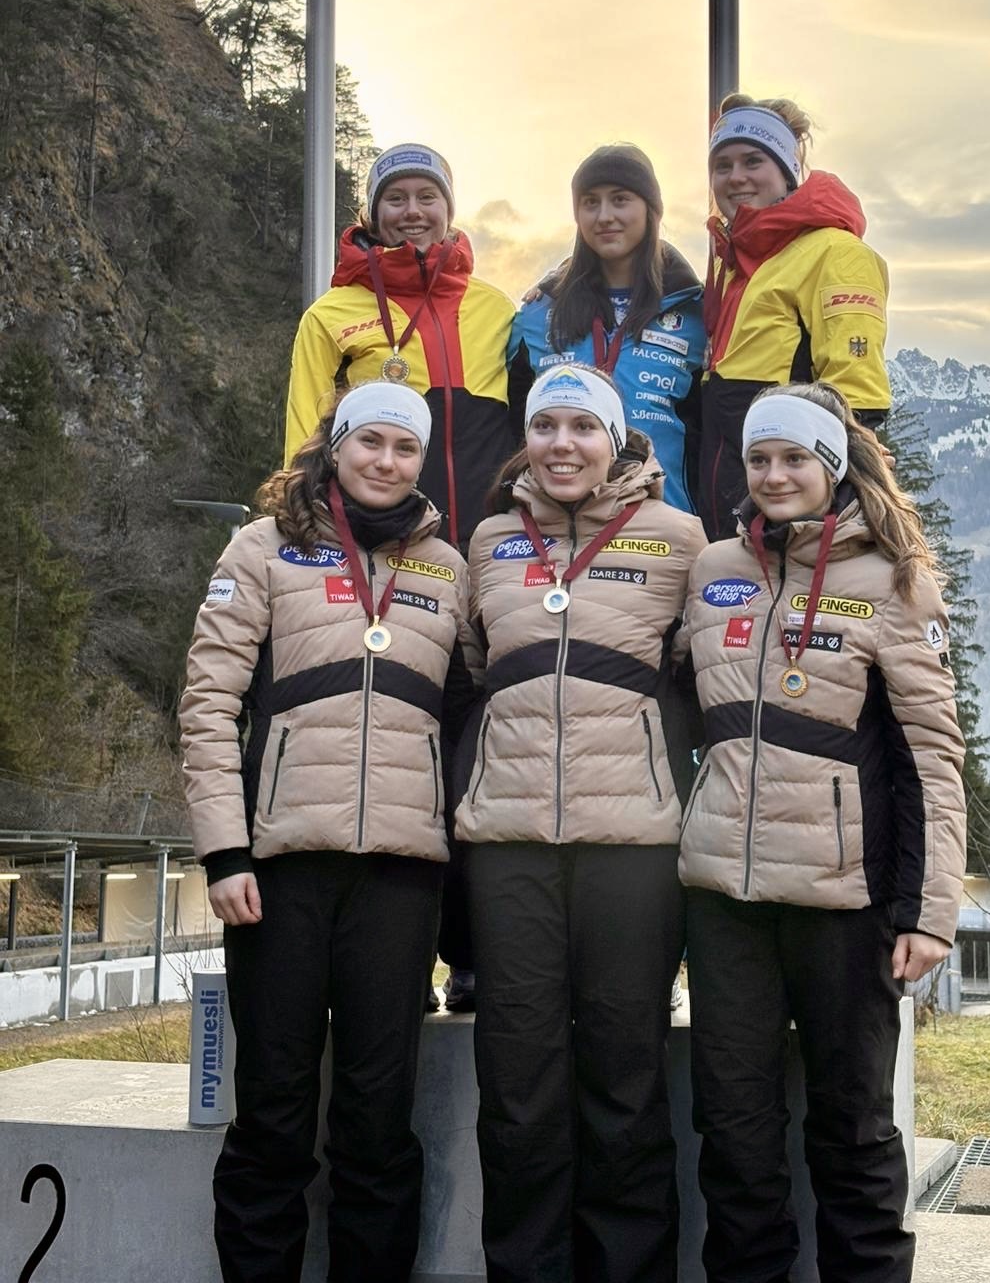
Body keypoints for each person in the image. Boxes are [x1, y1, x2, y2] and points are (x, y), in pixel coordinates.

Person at [181, 381, 479, 1283]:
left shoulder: (448, 569)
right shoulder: (263, 546)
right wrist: (224, 851)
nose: (386, 463)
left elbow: (468, 715)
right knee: (273, 1114)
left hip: (401, 877)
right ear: (337, 444)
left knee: (376, 1118)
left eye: (405, 450)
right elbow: (207, 706)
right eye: (371, 443)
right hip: (277, 871)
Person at [679, 383, 966, 1283]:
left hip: (847, 902)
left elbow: (932, 758)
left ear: (832, 467)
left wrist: (929, 912)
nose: (774, 475)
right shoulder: (712, 567)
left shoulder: (892, 579)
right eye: (760, 459)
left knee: (852, 1131)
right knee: (734, 1130)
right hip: (724, 899)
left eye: (795, 458)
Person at [456, 364, 707, 1283]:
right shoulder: (486, 542)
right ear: (527, 438)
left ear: (617, 440)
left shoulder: (682, 541)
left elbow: (696, 678)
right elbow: (477, 663)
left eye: (583, 428)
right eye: (546, 426)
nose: (563, 445)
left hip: (633, 850)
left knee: (626, 1083)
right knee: (517, 1087)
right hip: (508, 843)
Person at [284, 143, 514, 553]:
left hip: (496, 543)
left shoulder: (497, 307)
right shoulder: (330, 315)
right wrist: (299, 525)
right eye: (395, 198)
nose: (413, 211)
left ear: (448, 210)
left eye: (428, 197)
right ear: (373, 214)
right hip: (385, 546)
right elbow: (304, 435)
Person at [701, 93, 892, 539]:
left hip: (788, 512)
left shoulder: (836, 253)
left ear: (787, 172)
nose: (736, 177)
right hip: (734, 498)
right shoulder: (733, 263)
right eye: (722, 166)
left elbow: (856, 395)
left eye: (753, 161)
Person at [508, 144, 706, 512]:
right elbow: (512, 429)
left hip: (663, 526)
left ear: (650, 209)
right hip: (557, 527)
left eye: (620, 200)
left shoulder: (697, 313)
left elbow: (709, 436)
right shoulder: (538, 315)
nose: (604, 216)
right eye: (590, 202)